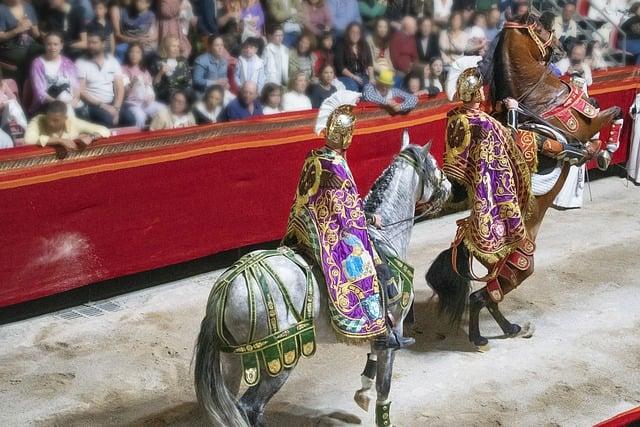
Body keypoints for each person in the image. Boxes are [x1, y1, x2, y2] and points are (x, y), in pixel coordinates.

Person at [282, 89, 415, 350]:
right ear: (346, 137)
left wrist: (357, 214)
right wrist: (367, 220)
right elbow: (346, 211)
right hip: (332, 231)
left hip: (305, 227)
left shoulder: (315, 156)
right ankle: (379, 329)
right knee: (371, 266)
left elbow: (334, 202)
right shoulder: (337, 164)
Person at [443, 68, 535, 301]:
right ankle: (508, 235)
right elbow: (509, 142)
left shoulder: (454, 116)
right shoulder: (485, 123)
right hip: (485, 185)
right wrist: (512, 112)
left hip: (461, 182)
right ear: (478, 95)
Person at [76, 31, 124, 127]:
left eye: (94, 42)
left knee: (130, 117)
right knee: (107, 119)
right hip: (92, 105)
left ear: (103, 44)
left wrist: (117, 108)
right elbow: (81, 91)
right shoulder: (80, 62)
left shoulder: (112, 61)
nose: (90, 46)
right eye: (89, 43)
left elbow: (119, 87)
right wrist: (103, 106)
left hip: (112, 104)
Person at [29, 32, 82, 116]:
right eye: (49, 44)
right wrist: (62, 105)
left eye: (55, 44)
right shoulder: (37, 63)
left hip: (70, 102)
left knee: (82, 114)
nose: (52, 47)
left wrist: (75, 99)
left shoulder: (67, 62)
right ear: (44, 45)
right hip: (48, 104)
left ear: (61, 46)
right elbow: (40, 93)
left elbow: (75, 85)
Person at [24, 100, 109, 149]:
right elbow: (28, 140)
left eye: (55, 120)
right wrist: (60, 141)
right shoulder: (38, 120)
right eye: (48, 119)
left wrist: (91, 137)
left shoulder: (73, 122)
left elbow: (104, 130)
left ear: (65, 118)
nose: (50, 123)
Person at [121, 42, 163, 128]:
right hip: (131, 103)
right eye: (132, 52)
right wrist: (132, 83)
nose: (134, 55)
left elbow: (150, 88)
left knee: (163, 110)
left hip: (146, 103)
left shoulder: (144, 71)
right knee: (140, 116)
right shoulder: (123, 69)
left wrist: (151, 97)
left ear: (141, 56)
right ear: (128, 54)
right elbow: (123, 93)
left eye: (137, 52)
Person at [0, 0, 41, 82]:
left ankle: (40, 86)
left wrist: (31, 26)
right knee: (23, 55)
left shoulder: (29, 7)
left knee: (44, 51)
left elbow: (36, 35)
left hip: (29, 43)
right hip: (10, 47)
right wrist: (17, 30)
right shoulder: (2, 10)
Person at [335, 22, 373, 91]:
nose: (355, 35)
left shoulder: (364, 44)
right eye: (352, 32)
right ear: (348, 33)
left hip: (361, 75)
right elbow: (340, 67)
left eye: (357, 32)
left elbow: (370, 63)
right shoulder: (341, 44)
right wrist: (353, 77)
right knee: (353, 87)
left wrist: (371, 78)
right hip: (346, 76)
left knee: (370, 88)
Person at [153, 35, 191, 103]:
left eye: (178, 46)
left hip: (183, 91)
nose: (176, 49)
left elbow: (188, 81)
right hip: (167, 93)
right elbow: (156, 86)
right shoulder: (159, 63)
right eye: (173, 46)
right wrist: (160, 73)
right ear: (166, 48)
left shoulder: (183, 61)